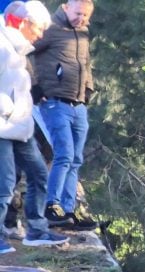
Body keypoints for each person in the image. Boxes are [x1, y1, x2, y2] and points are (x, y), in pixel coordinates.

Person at [0, 0, 68, 254]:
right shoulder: (2, 46)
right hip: (3, 127)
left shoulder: (18, 50)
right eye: (38, 29)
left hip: (21, 126)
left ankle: (37, 231)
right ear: (23, 23)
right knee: (4, 183)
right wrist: (7, 109)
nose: (40, 35)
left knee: (39, 174)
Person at [31, 0, 97, 230]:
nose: (82, 19)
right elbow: (23, 53)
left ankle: (69, 211)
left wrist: (88, 89)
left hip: (78, 104)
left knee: (76, 158)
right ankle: (52, 206)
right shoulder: (50, 29)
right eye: (79, 13)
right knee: (64, 154)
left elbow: (86, 64)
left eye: (86, 16)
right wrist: (34, 87)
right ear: (66, 7)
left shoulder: (83, 32)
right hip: (54, 102)